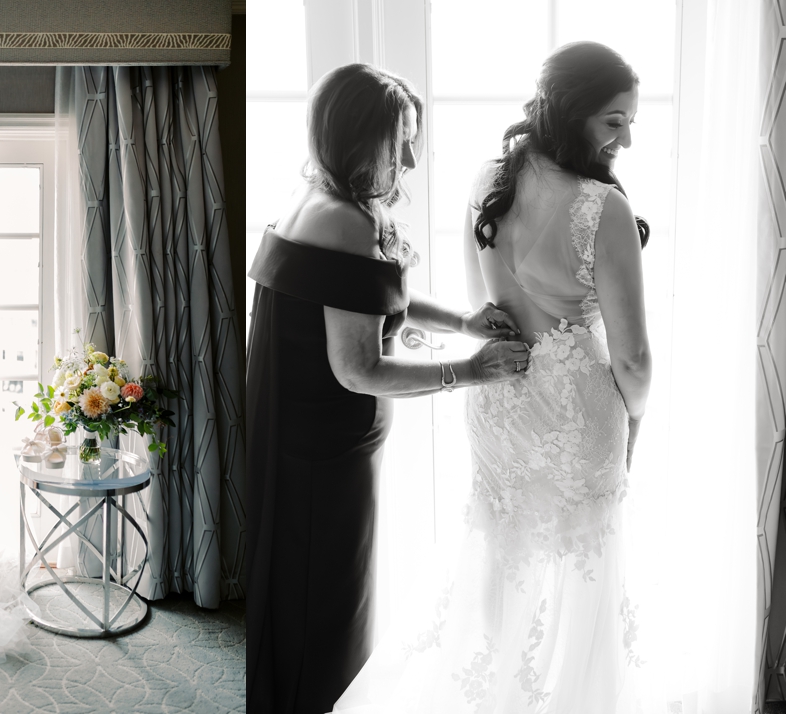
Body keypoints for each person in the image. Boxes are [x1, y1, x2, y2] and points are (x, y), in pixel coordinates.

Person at [332, 41, 652, 713]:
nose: (626, 136)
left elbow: (486, 298)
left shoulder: (488, 180)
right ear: (572, 114)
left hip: (500, 397)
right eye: (613, 120)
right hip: (577, 411)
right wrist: (637, 419)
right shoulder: (602, 207)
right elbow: (633, 359)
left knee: (501, 560)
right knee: (579, 573)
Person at [246, 62, 533, 714]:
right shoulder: (344, 221)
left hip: (320, 448)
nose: (410, 155)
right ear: (355, 135)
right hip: (320, 461)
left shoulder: (321, 199)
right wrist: (470, 369)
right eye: (400, 137)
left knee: (325, 603)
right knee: (325, 612)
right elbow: (358, 369)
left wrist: (461, 321)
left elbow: (373, 297)